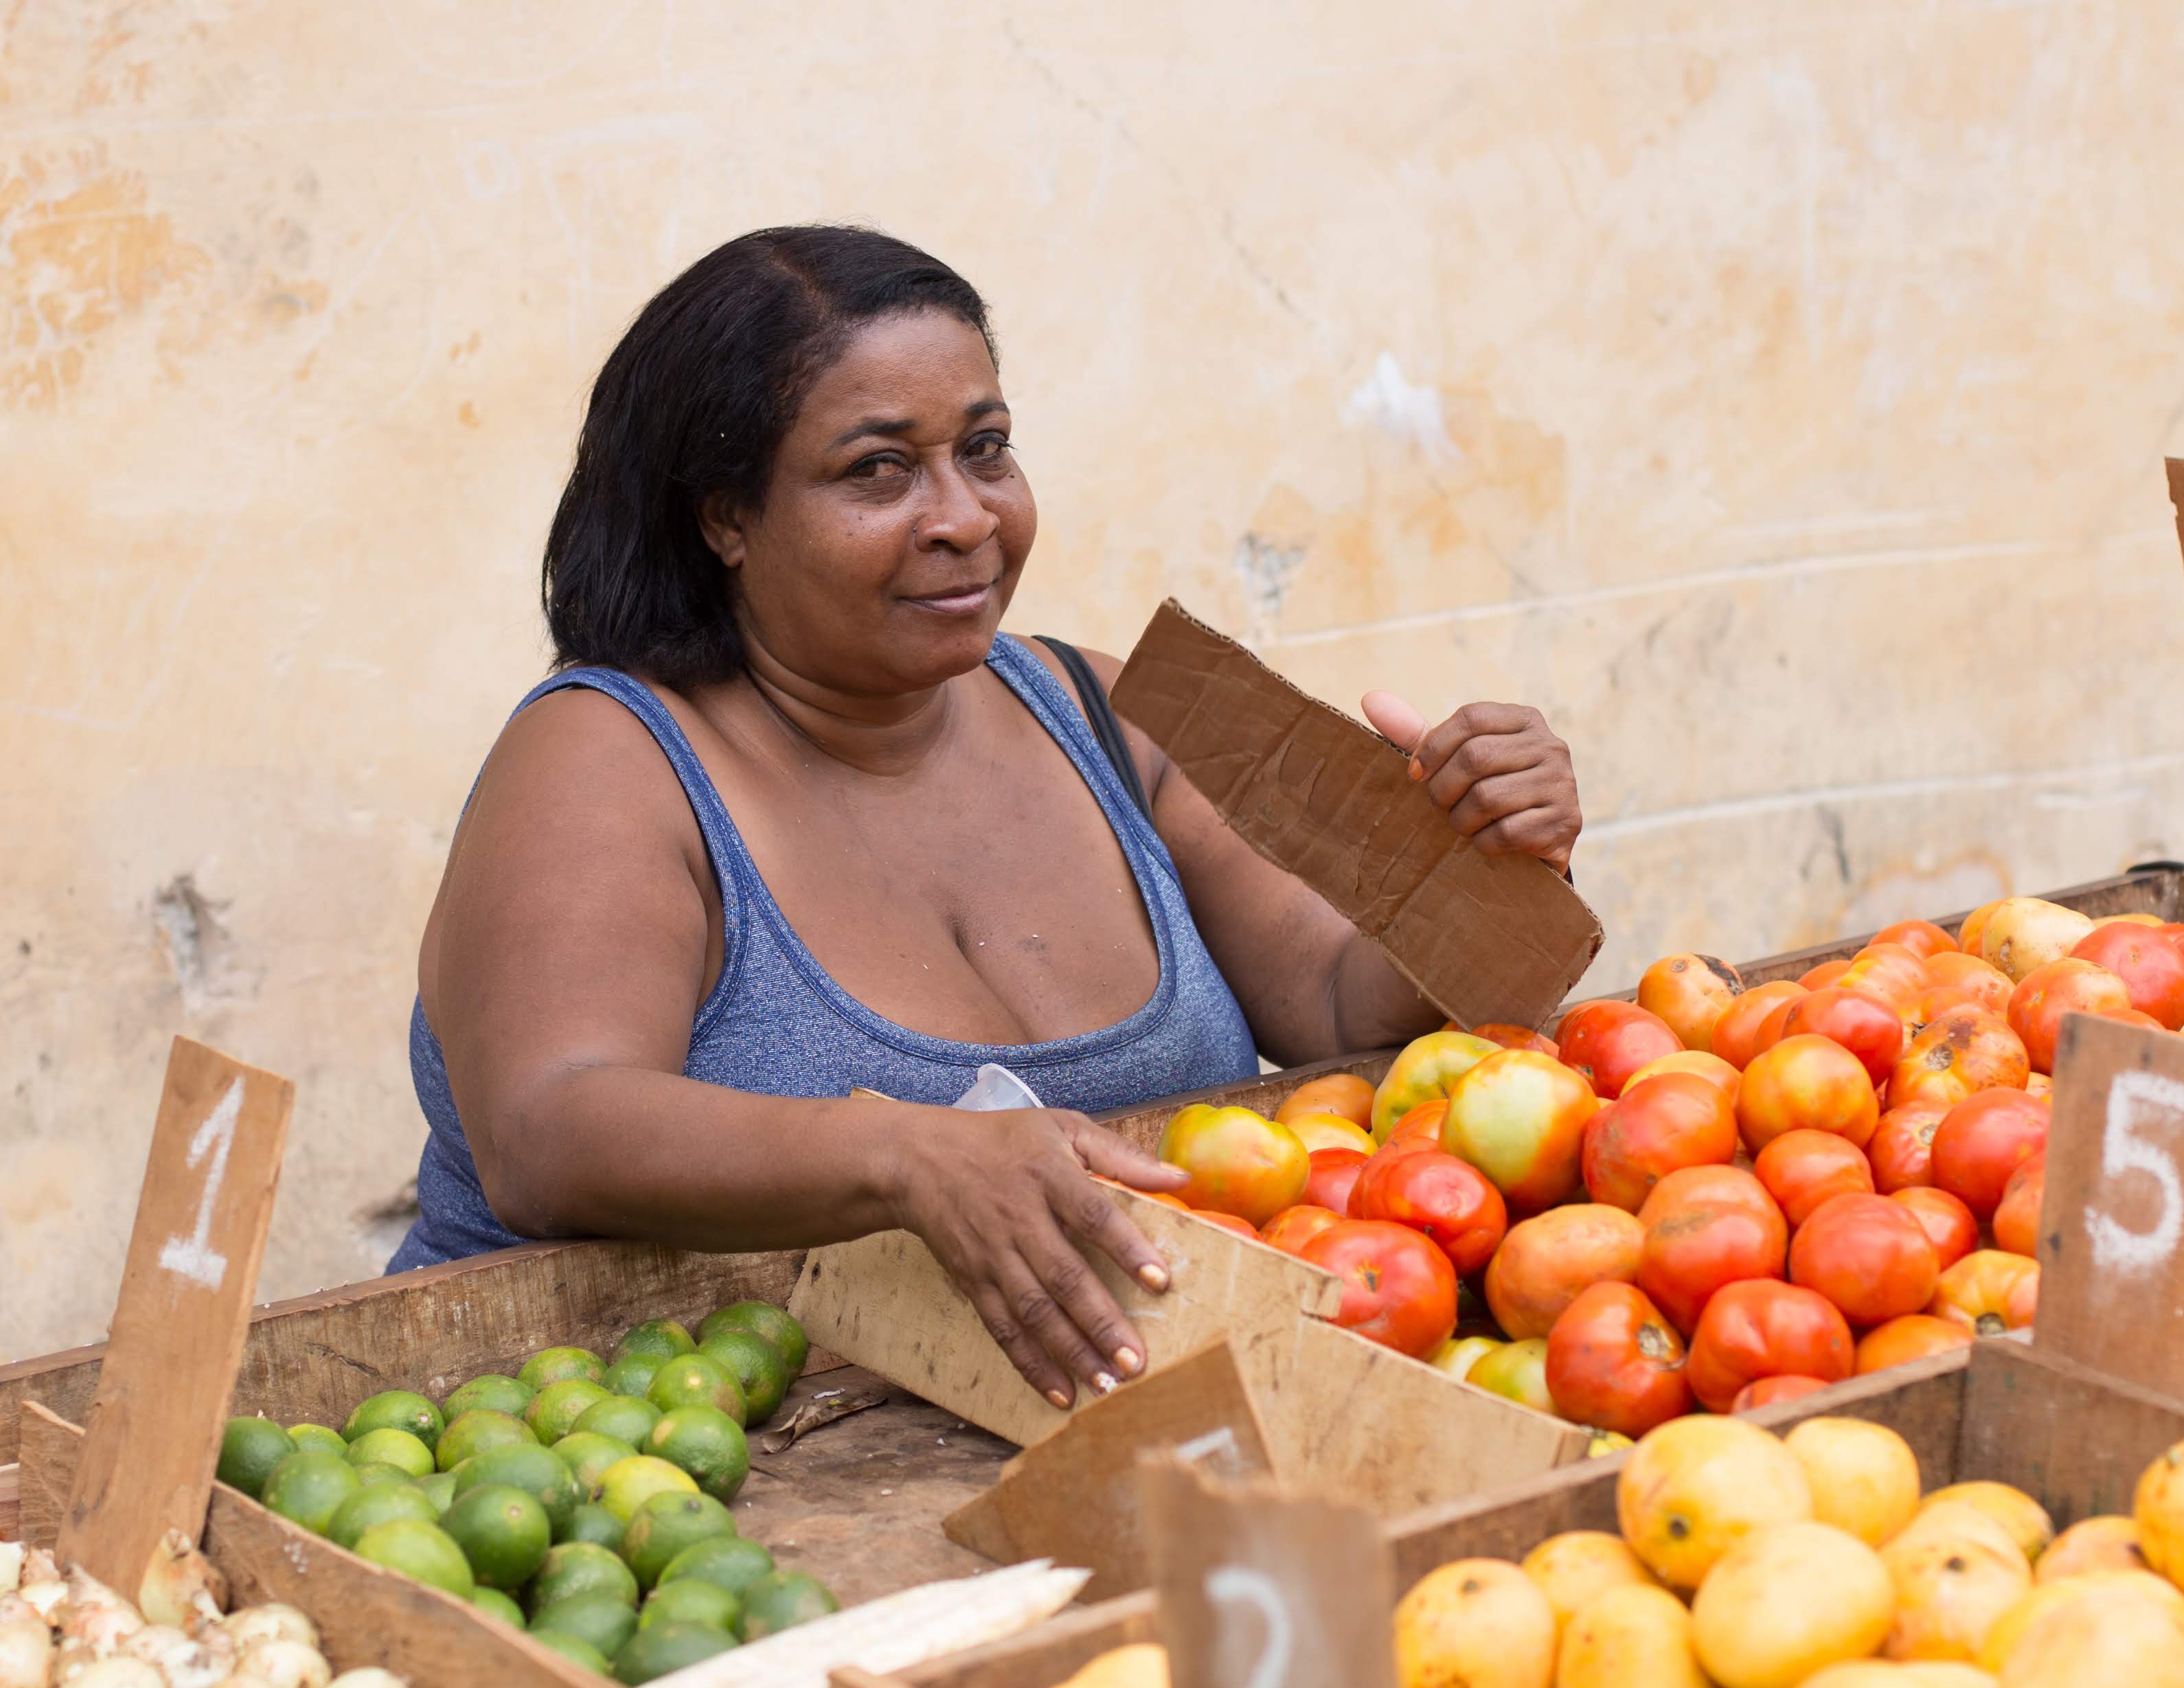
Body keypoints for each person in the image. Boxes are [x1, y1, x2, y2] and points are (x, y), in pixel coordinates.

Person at [396, 226, 1582, 1413]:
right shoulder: (605, 756)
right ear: (725, 518)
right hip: (626, 1473)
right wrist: (908, 1155)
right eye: (878, 470)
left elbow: (1338, 1005)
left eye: (986, 450)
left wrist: (1469, 871)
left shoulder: (1113, 709)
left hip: (1077, 1432)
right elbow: (546, 1131)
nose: (964, 516)